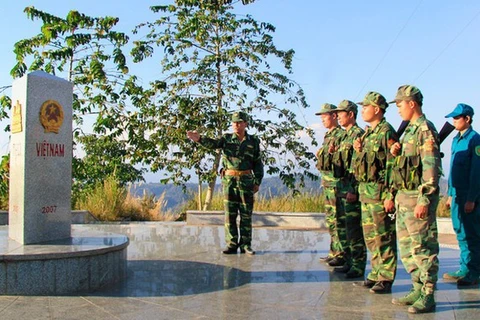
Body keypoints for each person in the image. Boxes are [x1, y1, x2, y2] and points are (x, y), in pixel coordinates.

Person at [388, 85, 441, 314]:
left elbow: (430, 167)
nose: (398, 109)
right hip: (403, 198)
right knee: (408, 249)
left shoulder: (424, 129)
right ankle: (417, 288)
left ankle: (428, 294)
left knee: (424, 248)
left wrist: (425, 199)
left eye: (399, 104)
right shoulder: (409, 131)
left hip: (417, 199)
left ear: (412, 103)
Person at [187, 111, 264, 255]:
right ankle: (232, 244)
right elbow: (214, 144)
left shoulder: (253, 141)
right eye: (234, 122)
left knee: (246, 215)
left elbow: (257, 162)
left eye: (239, 122)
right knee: (230, 215)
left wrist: (257, 181)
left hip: (246, 181)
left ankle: (246, 245)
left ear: (246, 124)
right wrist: (199, 139)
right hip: (230, 182)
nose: (236, 124)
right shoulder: (227, 139)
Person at [351, 92, 398, 294]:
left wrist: (390, 195)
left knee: (383, 236)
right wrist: (357, 149)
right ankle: (375, 273)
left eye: (365, 107)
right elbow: (359, 166)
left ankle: (385, 278)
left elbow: (393, 166)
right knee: (370, 237)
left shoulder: (387, 132)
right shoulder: (368, 134)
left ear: (376, 109)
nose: (362, 111)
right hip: (366, 193)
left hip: (379, 193)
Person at [443, 103, 480, 286]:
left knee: (472, 234)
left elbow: (476, 172)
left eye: (457, 118)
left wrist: (472, 199)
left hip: (468, 195)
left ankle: (474, 272)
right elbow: (452, 169)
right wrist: (450, 193)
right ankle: (464, 267)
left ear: (467, 119)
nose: (454, 121)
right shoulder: (456, 139)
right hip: (456, 194)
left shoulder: (475, 140)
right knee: (460, 232)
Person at [332, 100, 367, 278]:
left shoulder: (357, 134)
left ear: (351, 114)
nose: (338, 116)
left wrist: (354, 189)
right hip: (341, 187)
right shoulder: (343, 136)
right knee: (343, 226)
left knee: (354, 229)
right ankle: (347, 260)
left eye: (341, 113)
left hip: (351, 188)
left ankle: (358, 264)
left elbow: (358, 166)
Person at [315, 103, 347, 267]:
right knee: (331, 220)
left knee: (338, 220)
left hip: (336, 184)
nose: (322, 120)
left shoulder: (341, 135)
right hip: (327, 184)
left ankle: (341, 253)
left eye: (324, 116)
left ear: (334, 116)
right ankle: (334, 251)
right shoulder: (328, 136)